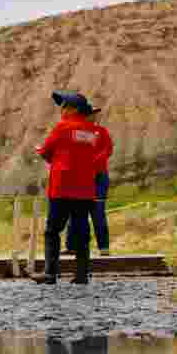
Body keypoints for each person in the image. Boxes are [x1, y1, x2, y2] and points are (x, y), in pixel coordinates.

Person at [33, 92, 110, 285]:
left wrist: (47, 155)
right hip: (85, 188)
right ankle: (82, 275)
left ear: (74, 109)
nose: (61, 109)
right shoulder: (93, 131)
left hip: (62, 188)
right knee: (82, 230)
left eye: (64, 105)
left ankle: (50, 273)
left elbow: (46, 151)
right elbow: (103, 153)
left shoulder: (62, 127)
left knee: (53, 230)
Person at [65, 105, 113, 257]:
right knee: (75, 211)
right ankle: (72, 246)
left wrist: (93, 161)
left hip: (98, 176)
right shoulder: (77, 132)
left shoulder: (102, 131)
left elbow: (108, 149)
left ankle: (103, 247)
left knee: (98, 212)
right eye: (91, 114)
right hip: (80, 176)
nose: (93, 116)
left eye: (94, 114)